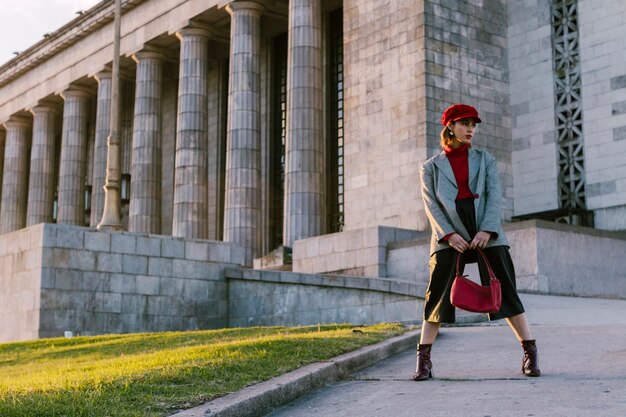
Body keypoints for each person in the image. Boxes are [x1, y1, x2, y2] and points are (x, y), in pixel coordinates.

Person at [413, 103, 540, 381]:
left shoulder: (485, 159)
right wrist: (448, 234)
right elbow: (431, 205)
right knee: (436, 297)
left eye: (473, 124)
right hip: (449, 234)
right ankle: (424, 361)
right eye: (464, 123)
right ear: (450, 127)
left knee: (506, 291)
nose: (470, 129)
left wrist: (487, 230)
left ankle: (530, 353)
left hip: (485, 229)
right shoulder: (430, 167)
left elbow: (495, 196)